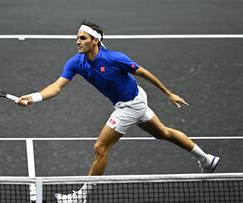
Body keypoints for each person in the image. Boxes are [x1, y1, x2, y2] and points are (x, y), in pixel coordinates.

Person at [17, 20, 220, 202]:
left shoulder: (114, 59)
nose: (77, 41)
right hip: (133, 101)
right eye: (77, 38)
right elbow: (57, 87)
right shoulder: (76, 62)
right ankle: (206, 159)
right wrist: (34, 97)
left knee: (100, 148)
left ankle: (82, 196)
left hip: (130, 105)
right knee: (163, 133)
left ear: (95, 40)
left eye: (82, 38)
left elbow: (143, 72)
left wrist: (168, 93)